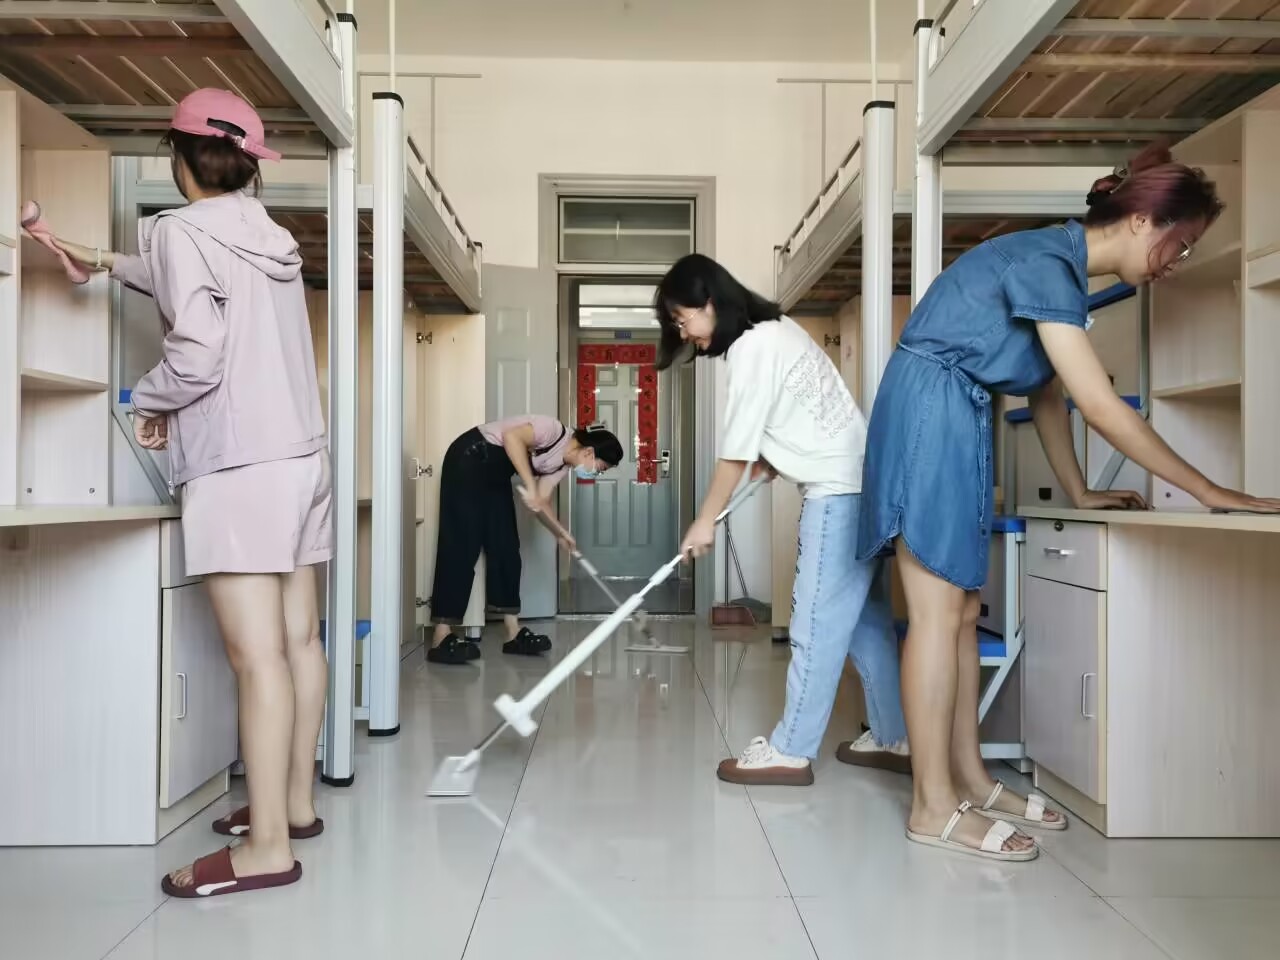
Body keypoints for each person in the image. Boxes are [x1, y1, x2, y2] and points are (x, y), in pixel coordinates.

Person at [858, 142, 1280, 863]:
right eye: (1180, 243)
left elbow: (1047, 392)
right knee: (934, 611)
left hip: (956, 412)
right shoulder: (1050, 263)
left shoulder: (1059, 268)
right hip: (932, 410)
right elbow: (1099, 405)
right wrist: (1212, 491)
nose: (1176, 262)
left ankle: (968, 779)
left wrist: (1079, 488)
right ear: (1143, 221)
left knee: (960, 610)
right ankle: (931, 805)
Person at [51, 89, 330, 896]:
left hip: (240, 466)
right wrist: (102, 258)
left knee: (256, 658)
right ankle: (294, 806)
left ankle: (266, 848)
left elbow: (198, 353)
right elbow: (191, 277)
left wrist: (150, 399)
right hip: (303, 459)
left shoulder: (181, 230)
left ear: (178, 157)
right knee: (299, 642)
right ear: (246, 164)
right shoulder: (269, 236)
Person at [655, 254, 910, 785]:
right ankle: (895, 737)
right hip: (862, 483)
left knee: (814, 625)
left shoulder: (750, 348)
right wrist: (776, 457)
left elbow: (733, 454)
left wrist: (704, 521)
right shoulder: (777, 328)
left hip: (836, 495)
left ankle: (791, 750)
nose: (684, 334)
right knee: (865, 624)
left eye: (683, 320)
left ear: (709, 303)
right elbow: (802, 414)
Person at [427, 418, 624, 664]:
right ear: (589, 452)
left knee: (506, 547)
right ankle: (441, 636)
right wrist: (530, 484)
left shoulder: (561, 467)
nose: (595, 473)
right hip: (470, 456)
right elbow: (512, 438)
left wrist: (561, 533)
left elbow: (539, 503)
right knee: (461, 544)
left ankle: (513, 633)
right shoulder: (553, 430)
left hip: (495, 476)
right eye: (600, 468)